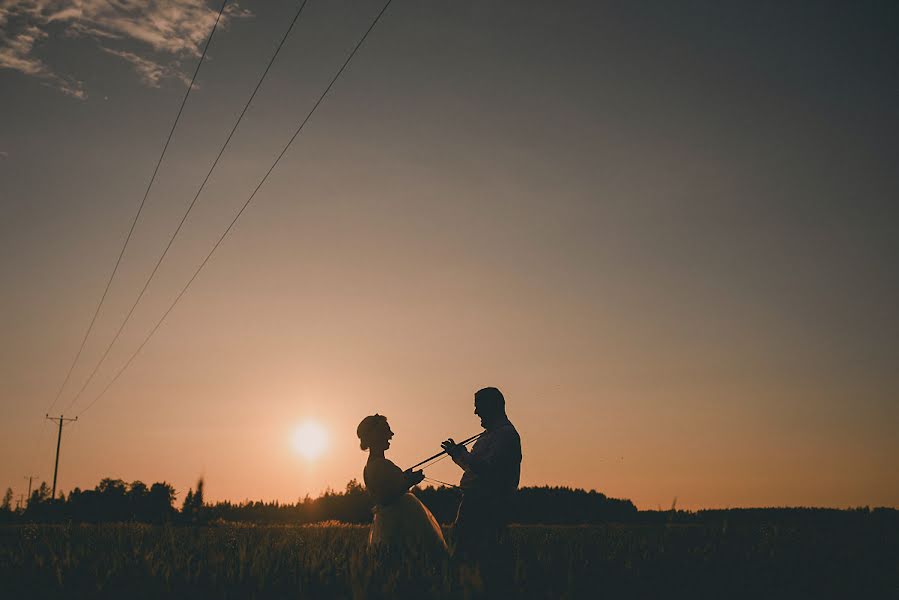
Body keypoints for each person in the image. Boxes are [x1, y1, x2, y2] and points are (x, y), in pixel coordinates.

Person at [441, 387, 521, 568]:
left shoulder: (505, 435)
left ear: (492, 406)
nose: (475, 412)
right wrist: (457, 455)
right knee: (465, 558)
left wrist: (463, 454)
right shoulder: (489, 435)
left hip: (487, 507)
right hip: (473, 504)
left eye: (478, 407)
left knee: (477, 560)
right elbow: (474, 469)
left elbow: (489, 470)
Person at [357, 414, 447, 555]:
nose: (390, 435)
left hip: (389, 519)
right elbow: (385, 497)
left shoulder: (372, 465)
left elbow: (387, 489)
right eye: (386, 432)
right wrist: (410, 482)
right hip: (398, 519)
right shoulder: (380, 464)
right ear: (376, 436)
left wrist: (404, 479)